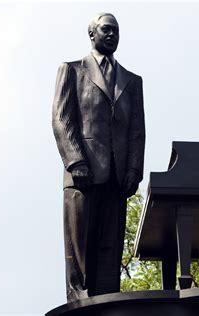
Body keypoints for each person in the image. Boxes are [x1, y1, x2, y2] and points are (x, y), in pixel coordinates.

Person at [52, 12, 145, 302]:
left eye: (116, 30)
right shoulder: (72, 69)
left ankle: (107, 300)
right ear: (91, 33)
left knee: (109, 250)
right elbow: (61, 119)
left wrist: (133, 171)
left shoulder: (132, 81)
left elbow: (137, 131)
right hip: (83, 174)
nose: (112, 34)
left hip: (117, 178)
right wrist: (76, 160)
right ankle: (79, 299)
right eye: (106, 29)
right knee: (80, 246)